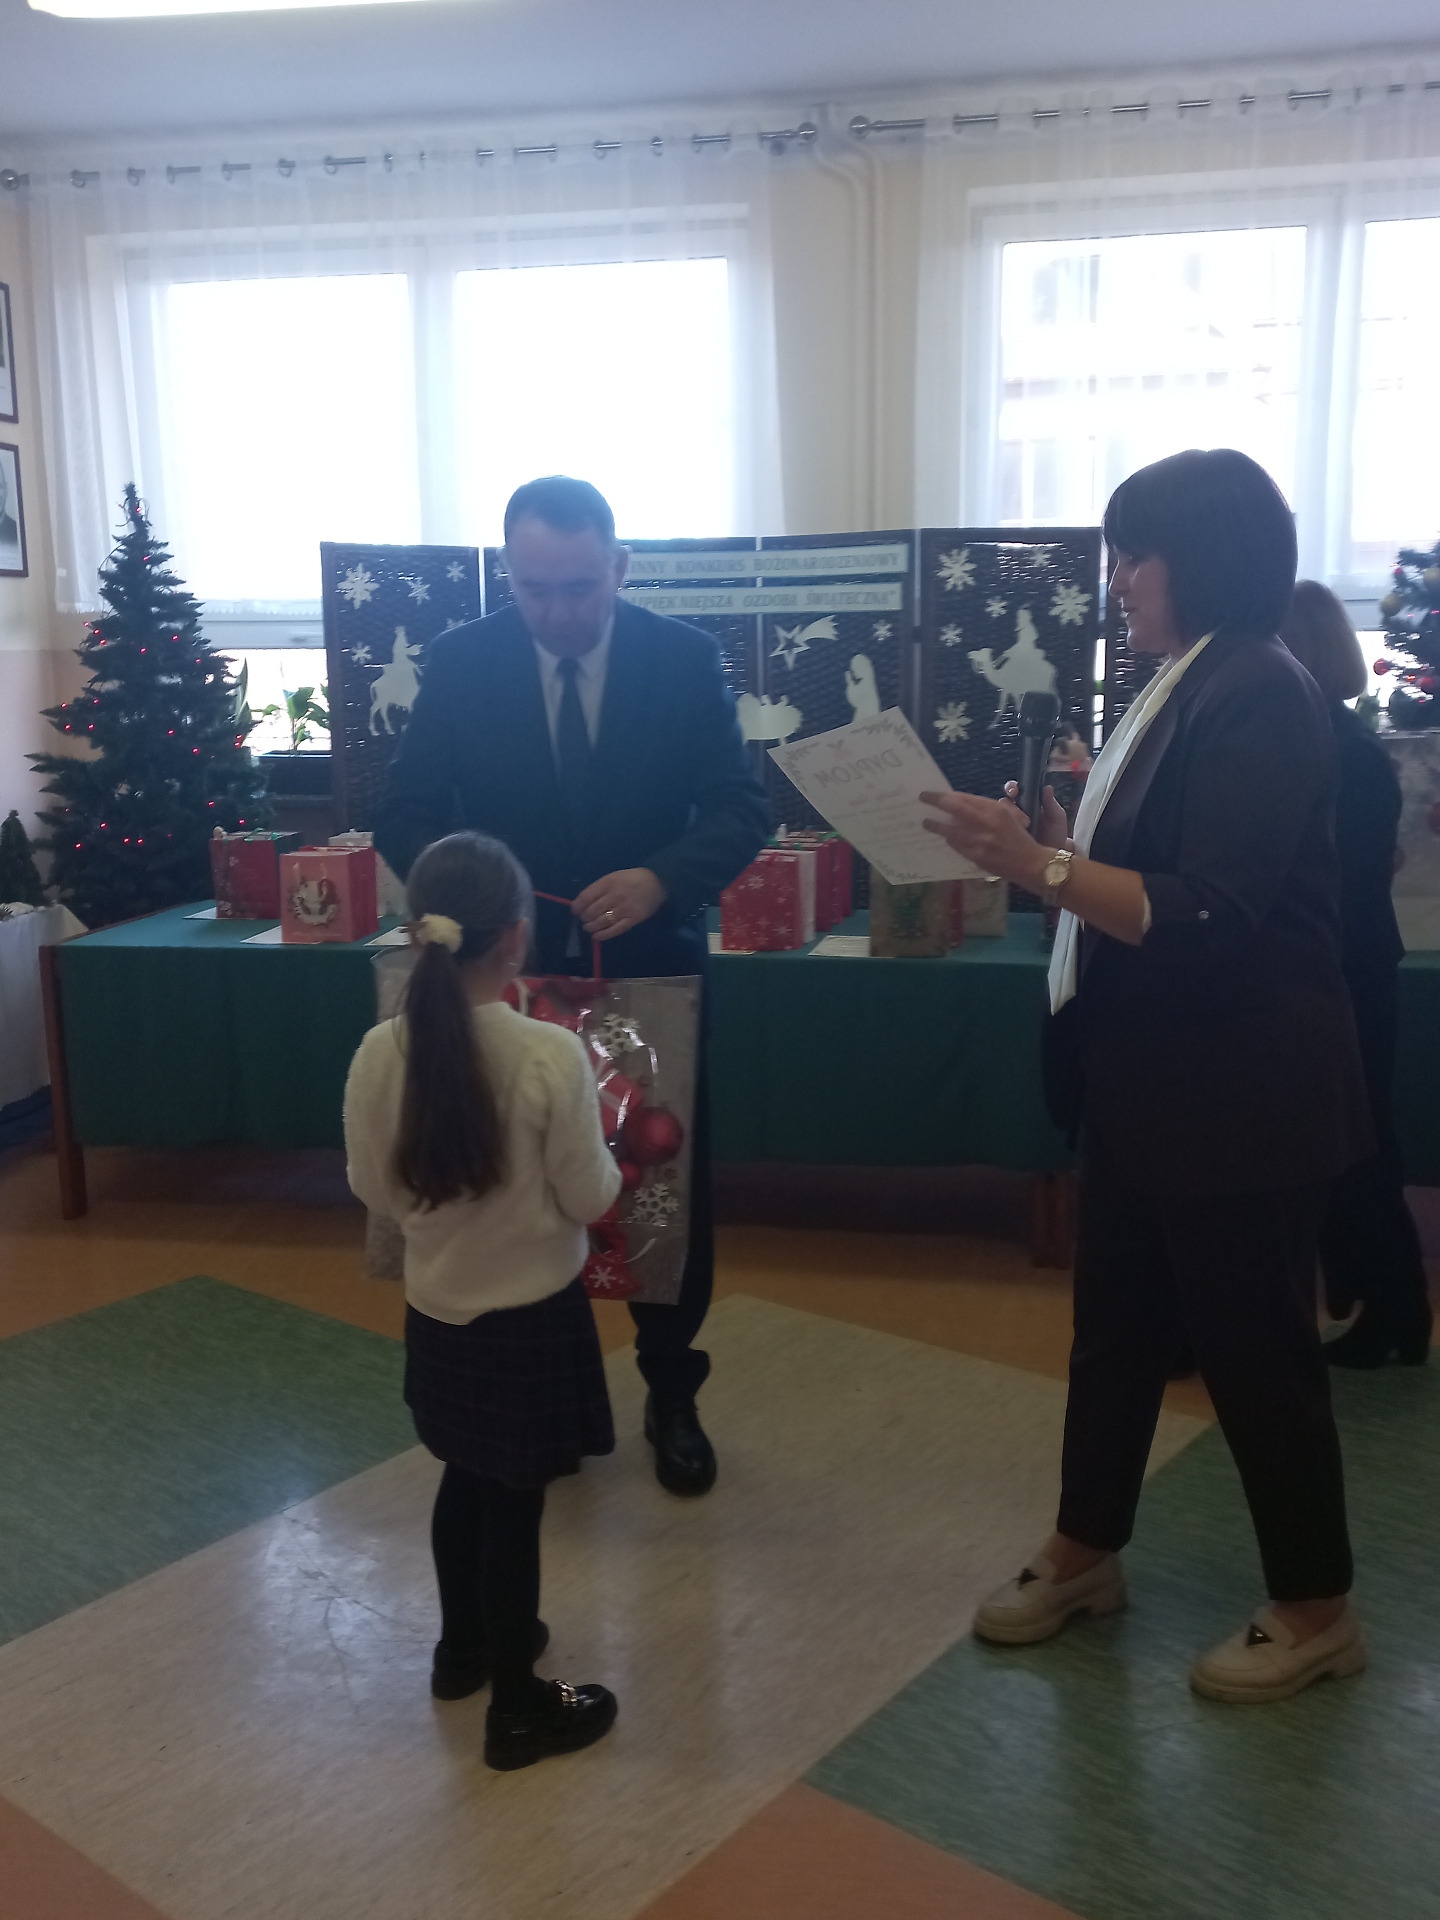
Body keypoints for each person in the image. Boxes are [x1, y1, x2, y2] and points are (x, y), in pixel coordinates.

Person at [921, 448, 1373, 1705]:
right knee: (1114, 1334)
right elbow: (1143, 874)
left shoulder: (1260, 688)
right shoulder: (1183, 678)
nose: (1117, 580)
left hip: (1241, 1095)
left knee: (1257, 1356)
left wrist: (1040, 866)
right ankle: (1086, 1550)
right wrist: (1052, 849)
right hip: (1148, 1079)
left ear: (1203, 559)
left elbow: (1211, 911)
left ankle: (1318, 1607)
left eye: (1136, 556)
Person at [375, 476, 768, 1496]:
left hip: (650, 971)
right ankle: (544, 1399)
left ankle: (671, 1392)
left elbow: (742, 807)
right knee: (519, 1186)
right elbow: (404, 812)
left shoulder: (682, 660)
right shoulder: (463, 661)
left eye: (580, 588)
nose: (556, 612)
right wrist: (480, 901)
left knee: (658, 1188)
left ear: (620, 568)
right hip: (497, 977)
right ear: (508, 574)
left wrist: (661, 879)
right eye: (534, 589)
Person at [343, 831, 622, 1771]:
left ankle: (461, 1649)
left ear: (417, 932)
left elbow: (374, 1190)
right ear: (516, 938)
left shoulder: (378, 1052)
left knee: (465, 1477)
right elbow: (590, 1196)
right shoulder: (551, 1053)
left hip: (438, 1314)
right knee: (514, 1506)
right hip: (531, 1321)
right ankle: (517, 1708)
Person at [1280, 580, 1433, 1367]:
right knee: (1351, 1143)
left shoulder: (1338, 753)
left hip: (1342, 973)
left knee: (1357, 1147)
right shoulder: (1341, 744)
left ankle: (1396, 1308)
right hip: (1346, 966)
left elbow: (1333, 881)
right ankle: (1384, 1302)